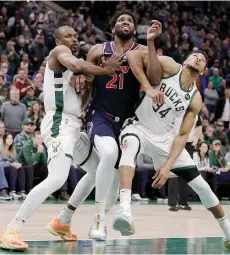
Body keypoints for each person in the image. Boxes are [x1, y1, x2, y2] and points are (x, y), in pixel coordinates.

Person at [0, 25, 121, 251]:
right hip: (58, 122)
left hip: (75, 125)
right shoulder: (58, 54)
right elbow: (75, 63)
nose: (74, 39)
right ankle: (11, 228)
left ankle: (62, 221)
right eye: (68, 36)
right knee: (57, 178)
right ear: (58, 41)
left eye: (76, 36)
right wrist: (106, 70)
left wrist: (87, 84)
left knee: (100, 172)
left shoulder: (76, 71)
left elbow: (82, 101)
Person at [112, 21, 230, 250]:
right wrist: (147, 86)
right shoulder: (170, 66)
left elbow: (182, 136)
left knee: (203, 188)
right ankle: (125, 209)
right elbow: (135, 56)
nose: (198, 59)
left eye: (203, 59)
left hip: (165, 139)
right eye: (195, 56)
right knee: (128, 146)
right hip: (139, 126)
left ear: (204, 70)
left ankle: (227, 231)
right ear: (186, 60)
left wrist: (167, 166)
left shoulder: (195, 99)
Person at [46, 10, 162, 242]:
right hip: (100, 115)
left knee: (115, 184)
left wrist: (150, 42)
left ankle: (66, 218)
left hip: (129, 121)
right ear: (113, 27)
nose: (125, 22)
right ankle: (99, 221)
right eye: (121, 20)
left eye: (129, 20)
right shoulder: (98, 50)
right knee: (108, 153)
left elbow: (156, 79)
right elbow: (87, 79)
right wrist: (81, 91)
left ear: (134, 28)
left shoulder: (140, 51)